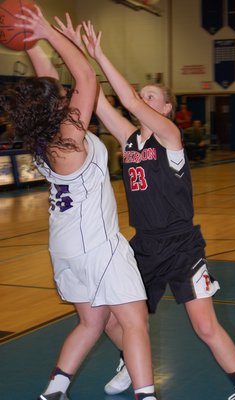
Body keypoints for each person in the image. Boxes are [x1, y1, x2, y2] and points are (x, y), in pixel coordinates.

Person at [79, 21, 235, 400]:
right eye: (141, 95)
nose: (142, 99)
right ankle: (129, 363)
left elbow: (126, 101)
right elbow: (95, 98)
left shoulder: (171, 137)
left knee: (205, 327)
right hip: (143, 246)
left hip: (182, 247)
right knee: (118, 319)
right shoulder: (128, 140)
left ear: (165, 108)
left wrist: (100, 54)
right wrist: (74, 52)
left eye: (151, 97)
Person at [0, 6, 158, 400]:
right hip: (96, 246)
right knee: (135, 322)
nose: (71, 94)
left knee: (91, 324)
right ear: (58, 106)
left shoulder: (44, 138)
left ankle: (54, 389)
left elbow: (50, 80)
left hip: (65, 248)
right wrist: (51, 32)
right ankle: (146, 395)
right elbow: (86, 76)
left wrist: (33, 38)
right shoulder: (70, 135)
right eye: (64, 95)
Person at [98, 94, 123, 179]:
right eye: (108, 101)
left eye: (111, 101)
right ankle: (104, 173)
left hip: (113, 136)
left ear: (114, 102)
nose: (109, 102)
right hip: (104, 135)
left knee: (114, 156)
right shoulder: (101, 110)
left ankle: (114, 173)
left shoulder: (118, 111)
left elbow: (119, 125)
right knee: (104, 156)